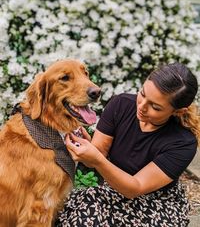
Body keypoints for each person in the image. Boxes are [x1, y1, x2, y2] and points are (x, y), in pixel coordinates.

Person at [55, 62, 200, 227]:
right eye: (142, 94)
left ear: (178, 111)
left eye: (155, 107)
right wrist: (87, 149)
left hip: (157, 205)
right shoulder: (121, 105)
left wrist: (96, 159)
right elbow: (96, 156)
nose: (142, 106)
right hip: (113, 192)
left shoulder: (183, 143)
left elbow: (135, 188)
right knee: (72, 208)